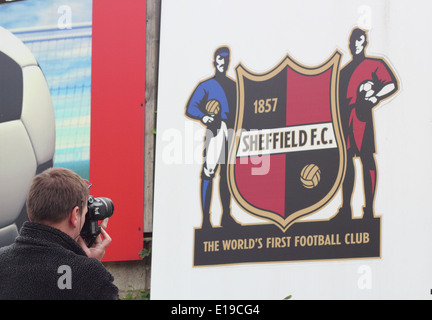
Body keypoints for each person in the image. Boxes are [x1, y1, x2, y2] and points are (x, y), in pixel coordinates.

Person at [0, 167, 119, 300]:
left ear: (30, 214)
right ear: (75, 215)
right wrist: (88, 269)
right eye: (84, 213)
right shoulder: (89, 275)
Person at [337, 27, 398, 220]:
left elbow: (391, 83)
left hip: (362, 117)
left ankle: (369, 210)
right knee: (347, 164)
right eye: (352, 40)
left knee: (366, 159)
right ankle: (346, 209)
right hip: (346, 119)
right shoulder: (343, 72)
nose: (355, 44)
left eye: (359, 40)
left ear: (364, 43)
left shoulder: (374, 64)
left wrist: (375, 96)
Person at [185, 46, 237, 229]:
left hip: (230, 130)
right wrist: (204, 116)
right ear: (215, 62)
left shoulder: (234, 85)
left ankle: (226, 216)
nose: (223, 63)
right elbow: (191, 107)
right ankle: (206, 219)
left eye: (226, 59)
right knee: (208, 173)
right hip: (214, 130)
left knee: (227, 176)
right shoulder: (206, 85)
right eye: (220, 59)